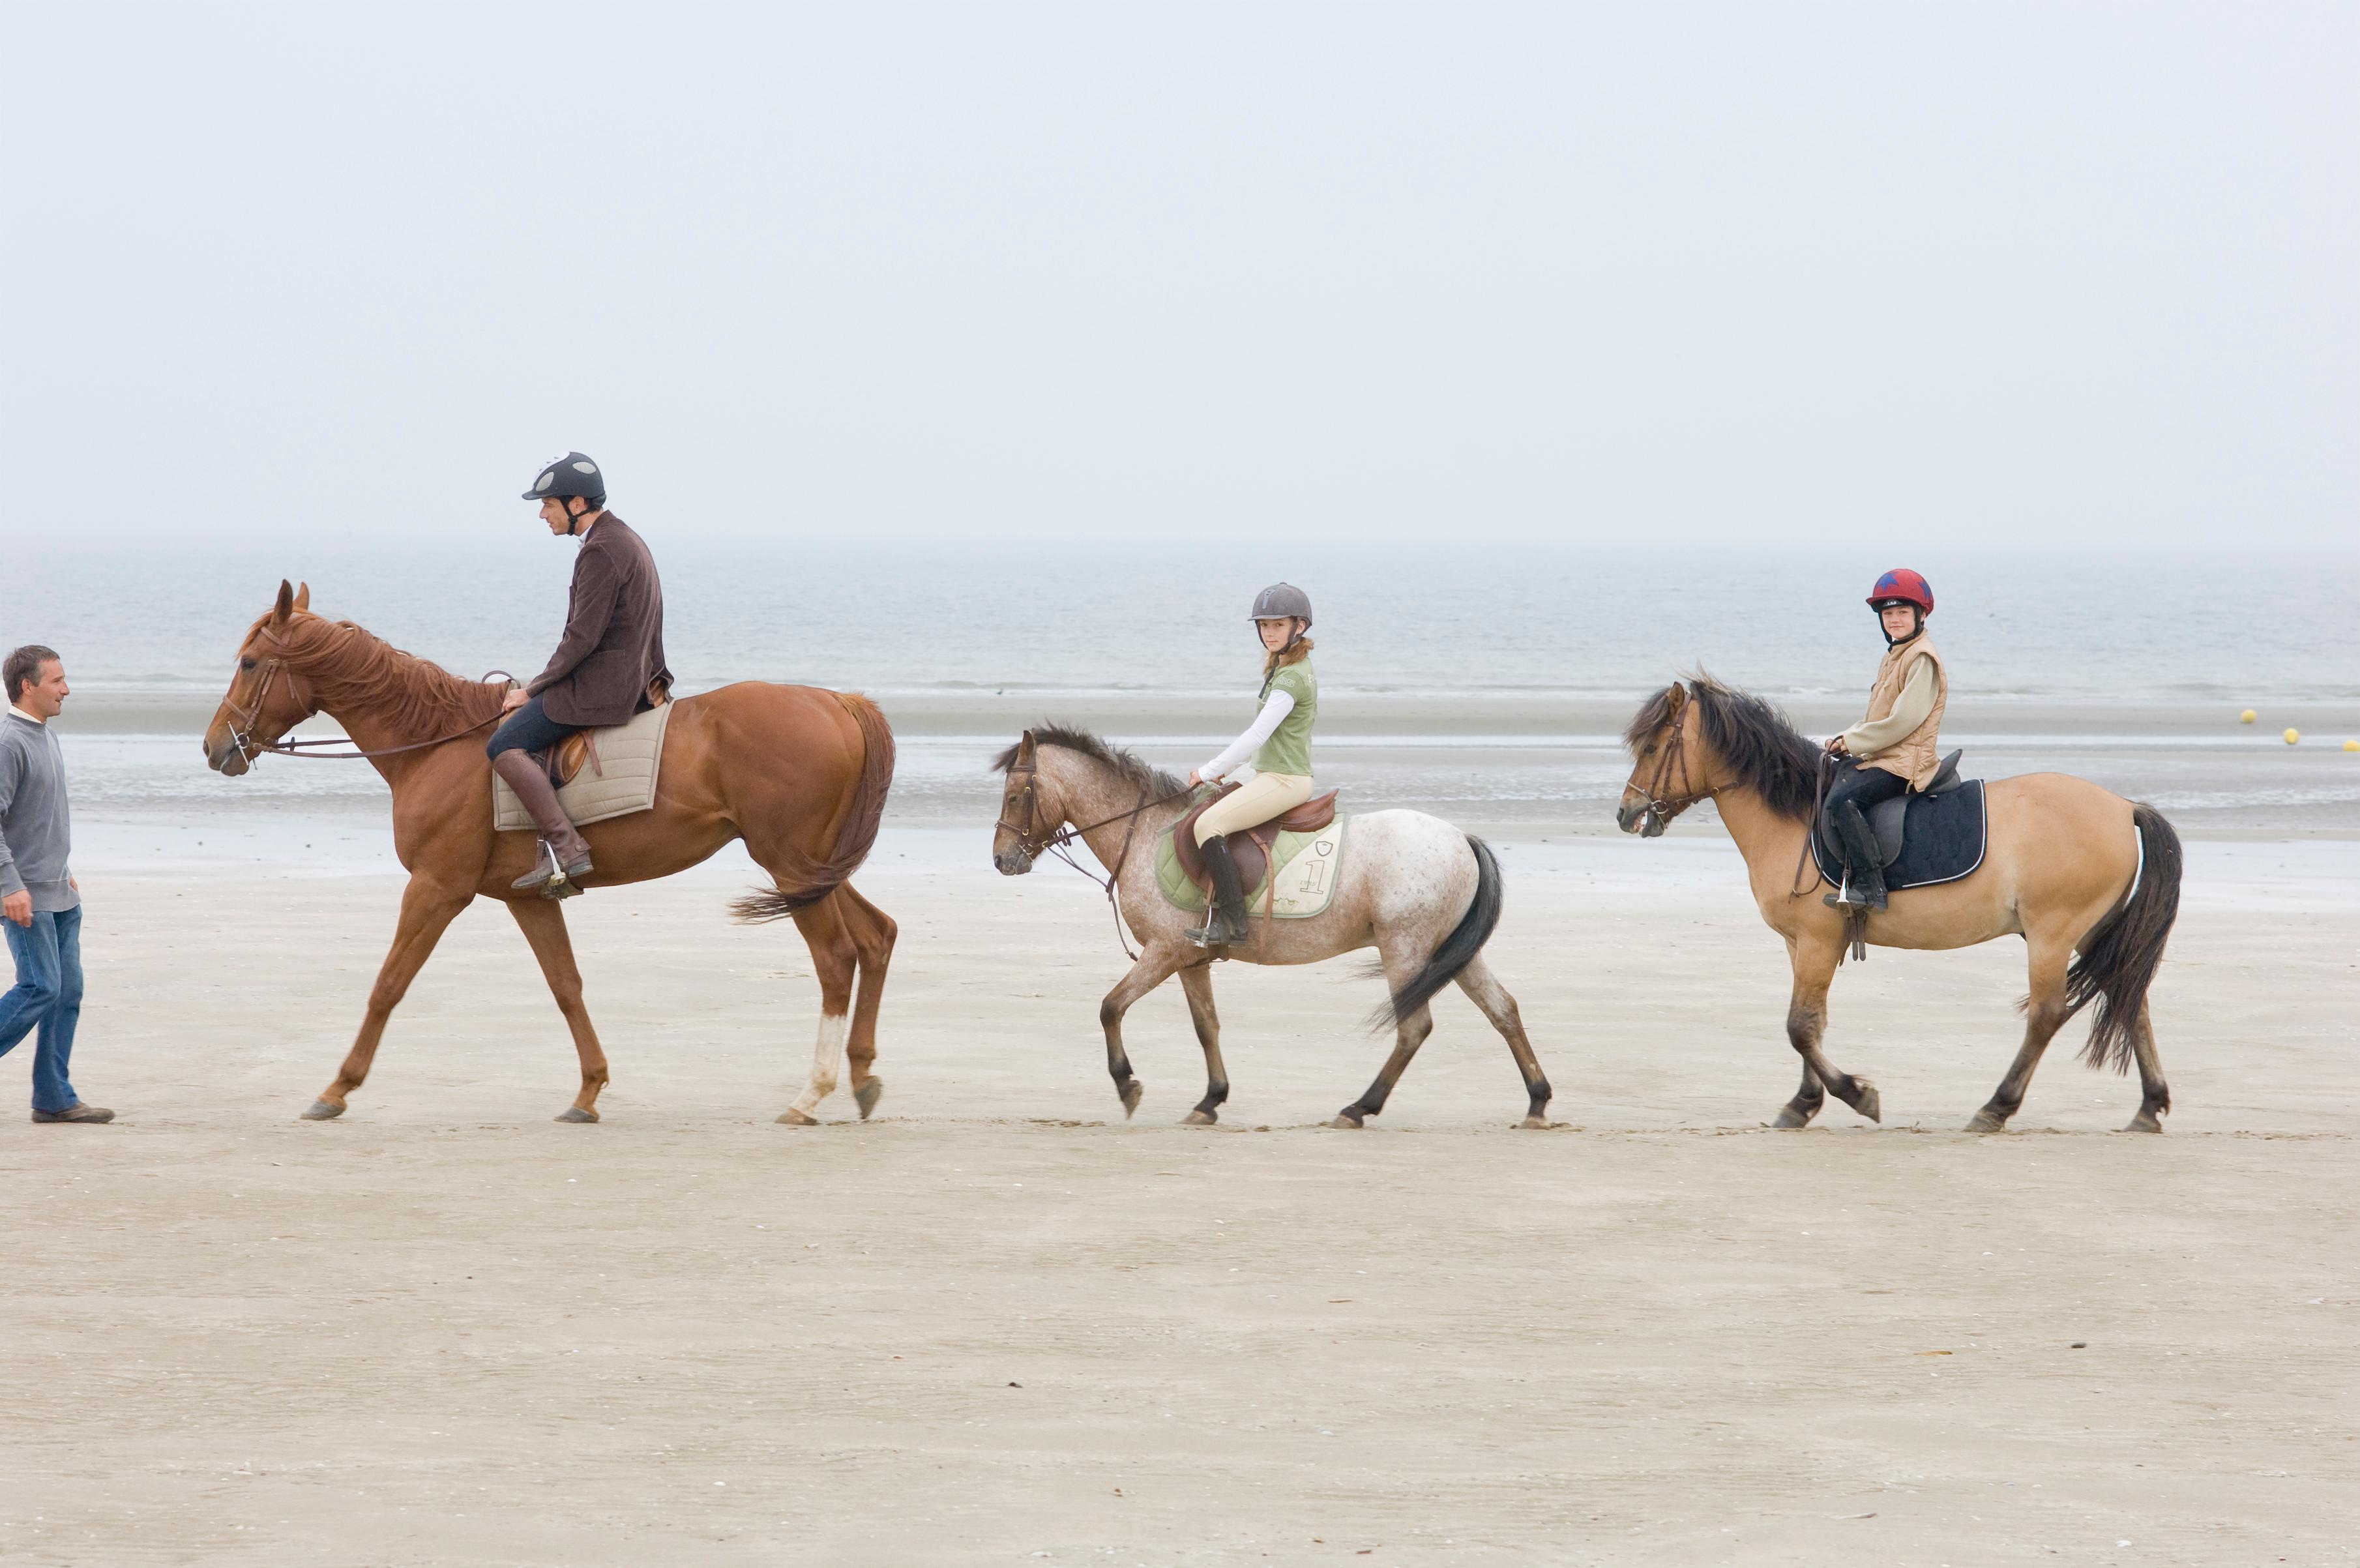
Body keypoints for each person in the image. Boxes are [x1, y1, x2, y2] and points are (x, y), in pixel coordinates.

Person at [488, 452, 673, 899]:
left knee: (504, 743)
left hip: (606, 688)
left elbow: (581, 638)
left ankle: (566, 846)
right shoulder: (623, 537)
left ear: (575, 504)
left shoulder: (601, 550)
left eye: (547, 504)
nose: (541, 513)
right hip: (638, 675)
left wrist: (532, 689)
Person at [0, 645, 109, 1123]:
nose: (67, 689)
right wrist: (10, 885)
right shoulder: (9, 741)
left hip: (59, 890)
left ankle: (53, 1096)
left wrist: (63, 868)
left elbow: (42, 815)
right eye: (57, 680)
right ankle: (52, 1095)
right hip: (26, 896)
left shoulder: (47, 735)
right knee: (41, 986)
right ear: (28, 686)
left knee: (67, 992)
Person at [1184, 583, 1320, 946]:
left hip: (1285, 779)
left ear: (1300, 627)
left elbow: (1257, 735)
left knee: (1208, 826)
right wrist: (1229, 771)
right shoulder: (1285, 665)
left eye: (1278, 625)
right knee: (1206, 802)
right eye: (1264, 626)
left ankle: (1232, 924)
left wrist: (1209, 770)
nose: (1269, 633)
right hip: (1266, 769)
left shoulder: (1290, 677)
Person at [1822, 568, 1947, 912]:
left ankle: (1872, 888)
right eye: (1888, 614)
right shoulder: (1895, 655)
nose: (1894, 620)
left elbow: (1903, 722)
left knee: (1843, 802)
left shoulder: (1922, 658)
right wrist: (1845, 738)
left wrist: (1853, 743)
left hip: (1904, 763)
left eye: (1903, 613)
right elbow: (1878, 717)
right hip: (1884, 755)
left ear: (1920, 615)